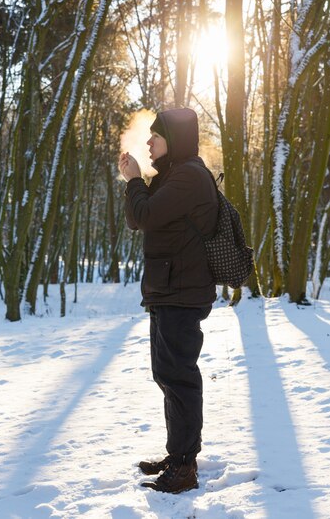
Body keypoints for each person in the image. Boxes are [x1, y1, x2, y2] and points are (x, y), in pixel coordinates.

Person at [118, 107, 218, 494]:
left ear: (173, 140)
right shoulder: (174, 176)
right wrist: (136, 180)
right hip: (167, 291)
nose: (148, 142)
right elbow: (136, 217)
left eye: (155, 137)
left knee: (179, 378)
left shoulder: (190, 177)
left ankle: (185, 466)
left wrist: (135, 180)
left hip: (181, 294)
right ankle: (178, 455)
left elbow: (142, 214)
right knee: (167, 376)